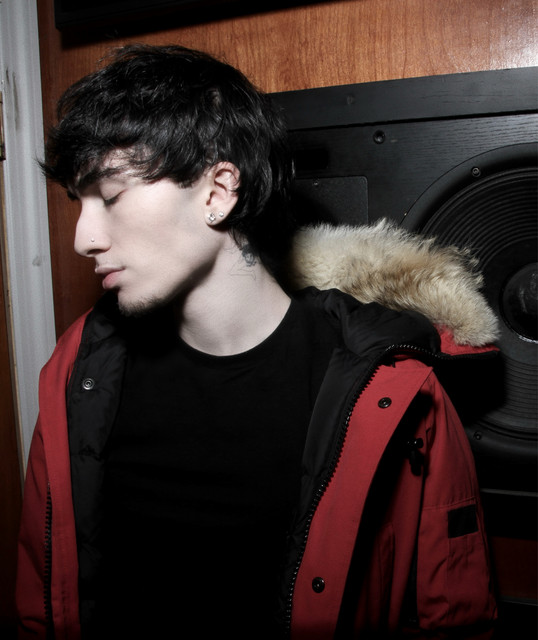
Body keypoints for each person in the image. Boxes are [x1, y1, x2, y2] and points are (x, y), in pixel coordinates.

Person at [16, 44, 499, 639]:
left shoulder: (395, 385)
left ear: (218, 191)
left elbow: (454, 614)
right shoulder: (78, 371)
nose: (84, 238)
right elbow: (44, 598)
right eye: (80, 203)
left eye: (110, 196)